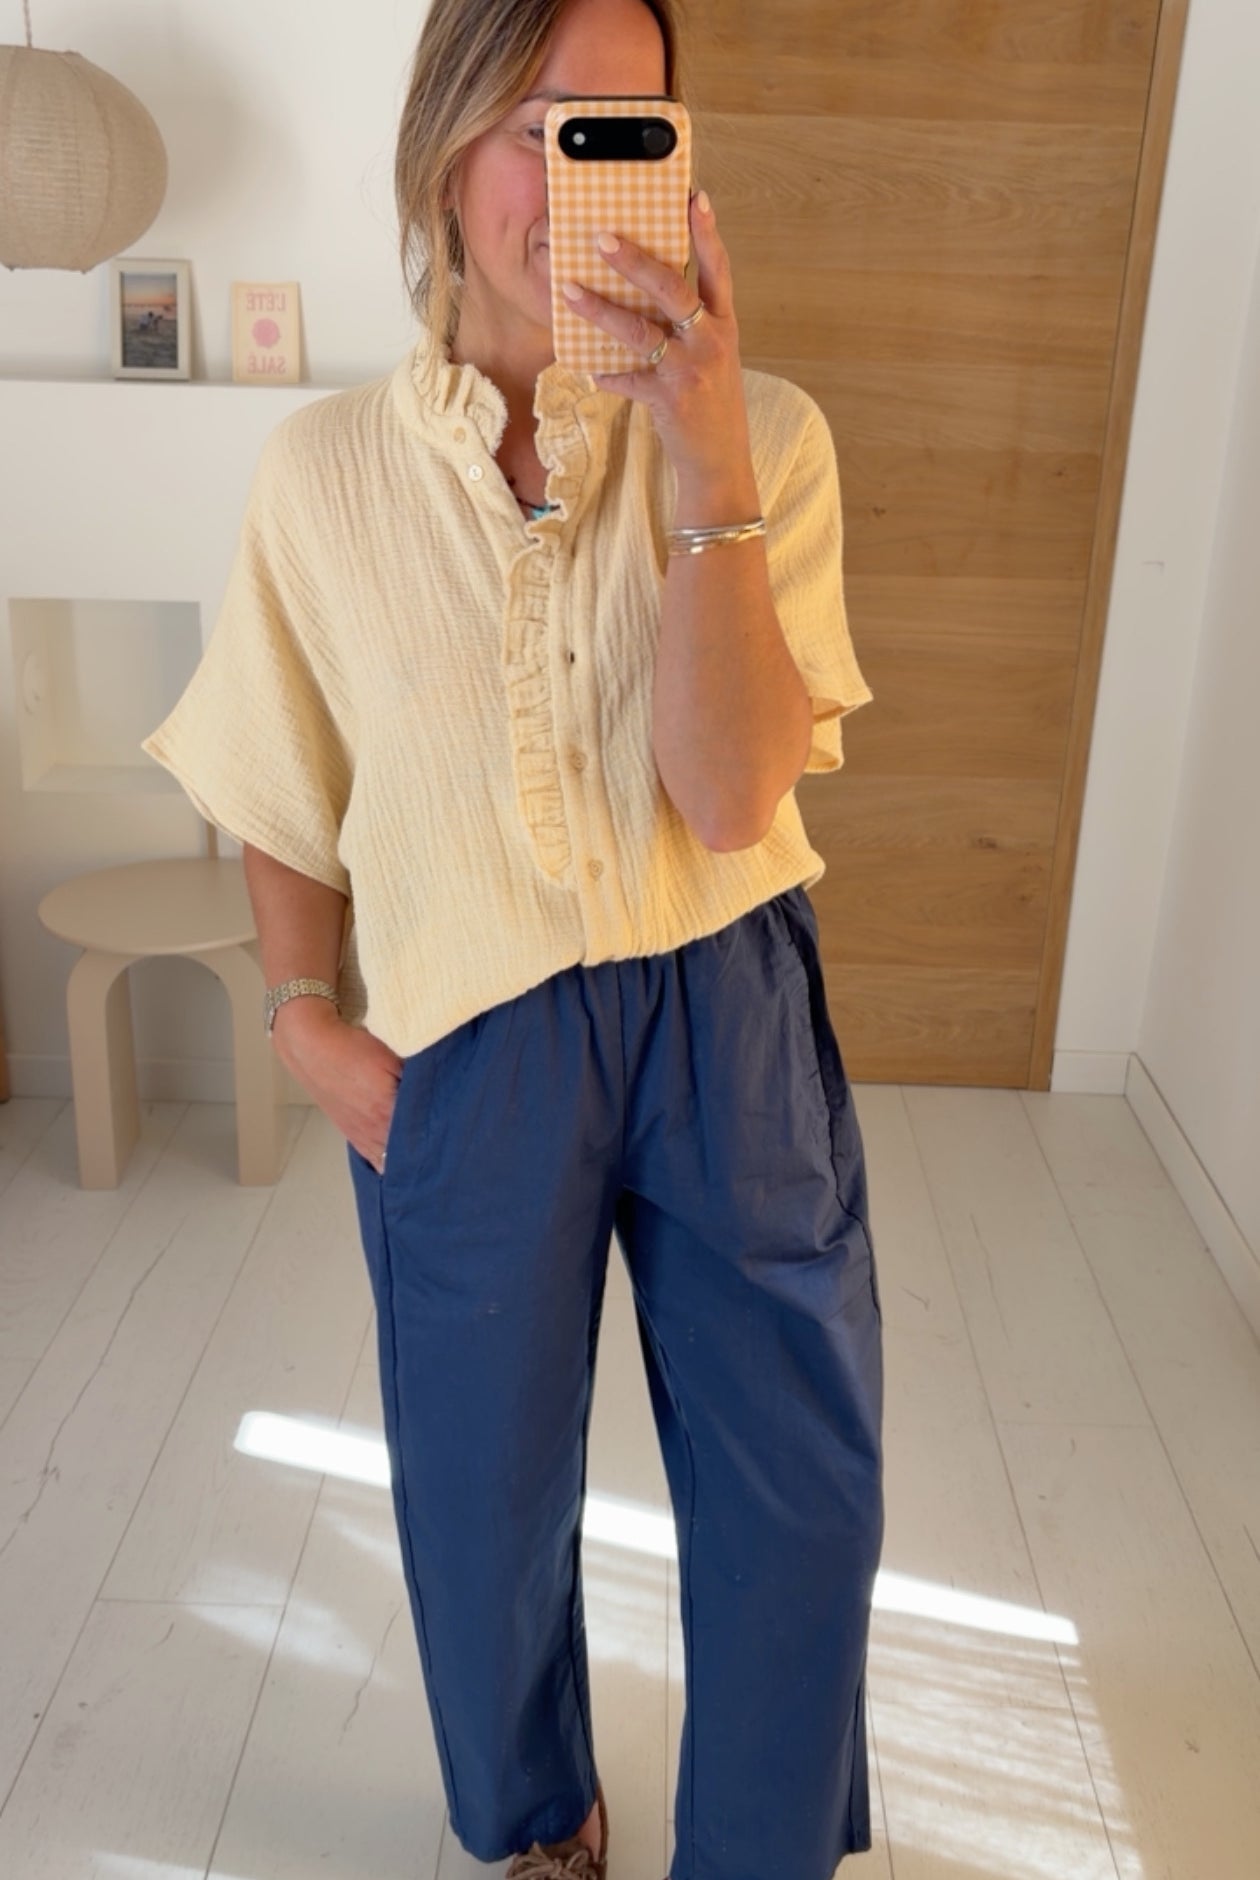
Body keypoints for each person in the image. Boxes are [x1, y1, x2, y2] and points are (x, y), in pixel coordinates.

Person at [140, 1, 884, 1875]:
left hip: (728, 1013)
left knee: (795, 1497)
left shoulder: (773, 441)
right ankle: (542, 1821)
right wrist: (303, 1019)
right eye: (542, 125)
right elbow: (280, 777)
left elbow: (732, 800)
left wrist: (704, 461)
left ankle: (763, 1850)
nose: (580, 178)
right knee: (479, 1494)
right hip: (468, 1034)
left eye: (630, 130)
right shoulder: (321, 476)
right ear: (441, 148)